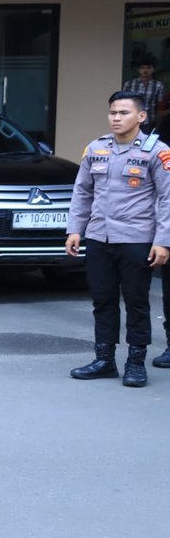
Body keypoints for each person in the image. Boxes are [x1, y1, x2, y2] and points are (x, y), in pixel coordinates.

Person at [65, 90, 170, 388]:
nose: (116, 118)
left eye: (123, 113)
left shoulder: (156, 152)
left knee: (137, 303)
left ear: (141, 116)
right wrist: (75, 229)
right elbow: (82, 192)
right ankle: (104, 359)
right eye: (112, 112)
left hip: (137, 239)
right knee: (103, 300)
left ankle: (135, 362)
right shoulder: (96, 149)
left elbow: (167, 199)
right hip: (99, 237)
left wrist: (163, 241)